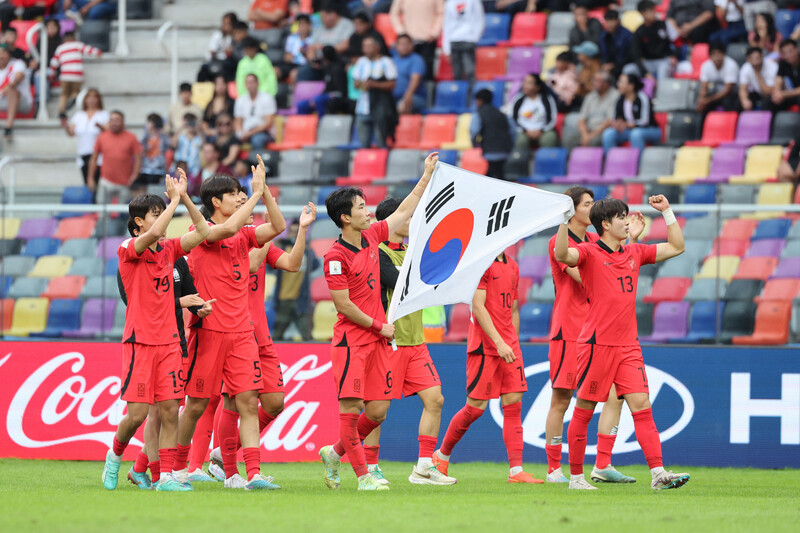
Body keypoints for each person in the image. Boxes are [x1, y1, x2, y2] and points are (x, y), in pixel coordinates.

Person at [317, 152, 438, 492]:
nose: (367, 211)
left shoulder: (372, 237)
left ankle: (335, 452)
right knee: (353, 409)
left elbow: (404, 211)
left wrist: (426, 175)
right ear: (345, 217)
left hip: (377, 341)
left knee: (379, 411)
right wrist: (378, 325)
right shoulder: (335, 257)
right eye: (360, 207)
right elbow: (343, 305)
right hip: (352, 342)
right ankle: (363, 476)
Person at [555, 195, 690, 491]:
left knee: (642, 405)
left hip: (628, 346)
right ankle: (576, 477)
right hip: (596, 345)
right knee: (585, 408)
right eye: (621, 217)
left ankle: (658, 473)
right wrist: (563, 222)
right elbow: (563, 255)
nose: (627, 221)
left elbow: (677, 247)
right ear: (605, 224)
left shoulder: (635, 252)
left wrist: (667, 212)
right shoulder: (589, 252)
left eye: (627, 216)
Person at [174, 155, 286, 490]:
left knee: (248, 402)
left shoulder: (245, 234)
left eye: (241, 192)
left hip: (242, 333)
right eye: (234, 193)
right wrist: (254, 194)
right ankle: (177, 469)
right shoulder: (200, 231)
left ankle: (248, 474)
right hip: (208, 332)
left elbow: (278, 227)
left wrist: (264, 195)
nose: (240, 197)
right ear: (214, 202)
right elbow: (227, 228)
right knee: (195, 405)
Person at [101, 169, 209, 492]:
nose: (160, 220)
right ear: (138, 224)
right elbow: (152, 236)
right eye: (154, 214)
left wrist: (186, 198)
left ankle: (163, 479)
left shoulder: (170, 250)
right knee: (136, 415)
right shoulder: (127, 249)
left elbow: (202, 231)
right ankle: (115, 455)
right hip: (139, 343)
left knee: (169, 410)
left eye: (161, 213)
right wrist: (173, 199)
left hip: (170, 342)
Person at [206, 198, 317, 482]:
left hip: (261, 336)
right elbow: (251, 264)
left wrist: (301, 230)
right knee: (235, 401)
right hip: (236, 333)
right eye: (241, 204)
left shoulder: (258, 240)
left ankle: (223, 453)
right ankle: (234, 470)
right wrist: (273, 231)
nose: (247, 210)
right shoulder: (228, 244)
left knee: (275, 403)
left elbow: (293, 264)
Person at [544, 186, 641, 484]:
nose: (592, 208)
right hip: (569, 330)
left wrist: (630, 240)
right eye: (587, 204)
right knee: (562, 399)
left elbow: (618, 264)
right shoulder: (560, 243)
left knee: (616, 396)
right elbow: (591, 279)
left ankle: (602, 464)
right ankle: (554, 469)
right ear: (571, 210)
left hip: (600, 330)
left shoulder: (593, 242)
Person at [360, 197, 456, 486]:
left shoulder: (413, 252)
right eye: (411, 217)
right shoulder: (378, 253)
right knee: (377, 412)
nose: (416, 222)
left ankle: (424, 466)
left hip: (415, 341)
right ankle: (367, 464)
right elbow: (402, 284)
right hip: (387, 341)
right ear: (395, 220)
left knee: (435, 399)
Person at [432, 251, 542, 485]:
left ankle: (516, 471)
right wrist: (500, 342)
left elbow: (512, 309)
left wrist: (512, 342)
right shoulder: (481, 263)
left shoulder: (512, 265)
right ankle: (441, 456)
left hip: (508, 346)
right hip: (484, 347)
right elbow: (478, 307)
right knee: (475, 409)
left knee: (513, 404)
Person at [270, 219, 318, 340]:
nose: (293, 235)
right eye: (291, 232)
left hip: (301, 299)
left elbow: (316, 264)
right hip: (283, 298)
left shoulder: (305, 250)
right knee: (277, 334)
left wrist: (306, 248)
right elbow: (269, 266)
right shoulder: (281, 248)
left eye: (296, 232)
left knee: (307, 334)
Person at [89, 110, 143, 205]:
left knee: (124, 214)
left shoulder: (131, 137)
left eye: (117, 120)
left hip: (125, 183)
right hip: (105, 181)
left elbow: (138, 159)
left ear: (123, 121)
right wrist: (90, 178)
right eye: (112, 120)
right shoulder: (102, 137)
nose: (114, 123)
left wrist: (134, 176)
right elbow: (94, 158)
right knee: (102, 212)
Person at [352, 36, 398, 148]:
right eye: (364, 46)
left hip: (380, 108)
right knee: (363, 145)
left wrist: (374, 84)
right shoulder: (361, 62)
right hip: (362, 108)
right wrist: (361, 84)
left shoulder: (386, 62)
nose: (365, 49)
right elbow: (355, 82)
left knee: (381, 142)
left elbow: (392, 84)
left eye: (369, 46)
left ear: (377, 47)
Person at [48, 30, 102, 119]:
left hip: (65, 75)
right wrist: (98, 52)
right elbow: (89, 50)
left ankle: (62, 111)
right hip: (77, 74)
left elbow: (54, 62)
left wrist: (51, 75)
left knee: (64, 94)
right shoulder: (77, 45)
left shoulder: (60, 48)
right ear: (74, 37)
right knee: (76, 91)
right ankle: (73, 98)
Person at [601, 73, 660, 152]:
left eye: (621, 82)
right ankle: (612, 161)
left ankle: (637, 162)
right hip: (628, 130)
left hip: (649, 129)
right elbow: (615, 119)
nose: (618, 85)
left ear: (631, 86)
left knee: (636, 134)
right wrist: (617, 124)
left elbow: (644, 121)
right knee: (608, 133)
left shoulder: (642, 98)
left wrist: (627, 124)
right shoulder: (619, 100)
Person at [63, 87, 108, 187]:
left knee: (97, 182)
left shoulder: (103, 114)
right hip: (83, 153)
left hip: (98, 155)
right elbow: (72, 132)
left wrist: (100, 127)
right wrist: (66, 126)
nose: (91, 100)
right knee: (87, 183)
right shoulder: (79, 115)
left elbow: (108, 131)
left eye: (94, 97)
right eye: (89, 97)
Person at [297, 3, 355, 81]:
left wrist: (325, 49)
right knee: (301, 72)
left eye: (323, 16)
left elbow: (346, 45)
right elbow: (312, 47)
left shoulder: (347, 25)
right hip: (319, 63)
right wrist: (312, 60)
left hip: (338, 60)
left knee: (335, 69)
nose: (321, 19)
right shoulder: (321, 27)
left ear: (333, 14)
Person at [390, 0, 445, 80]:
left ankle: (427, 91)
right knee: (406, 70)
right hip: (408, 40)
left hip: (428, 40)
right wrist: (402, 32)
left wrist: (434, 33)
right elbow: (394, 14)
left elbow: (441, 13)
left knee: (427, 71)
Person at [565, 71, 618, 150]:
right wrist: (585, 135)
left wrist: (591, 136)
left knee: (593, 141)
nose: (593, 83)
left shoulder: (615, 96)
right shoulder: (590, 96)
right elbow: (581, 120)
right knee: (569, 138)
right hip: (588, 130)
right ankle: (572, 161)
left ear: (606, 83)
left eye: (597, 80)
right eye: (593, 80)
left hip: (602, 131)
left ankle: (593, 162)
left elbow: (609, 121)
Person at [471, 88, 515, 180]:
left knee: (493, 175)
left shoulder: (478, 114)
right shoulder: (502, 114)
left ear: (479, 101)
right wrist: (511, 146)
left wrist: (474, 144)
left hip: (489, 151)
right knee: (497, 173)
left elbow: (473, 131)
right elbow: (513, 131)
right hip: (505, 151)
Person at [627, 0, 677, 81]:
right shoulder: (639, 32)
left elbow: (677, 42)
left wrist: (674, 55)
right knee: (629, 69)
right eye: (651, 11)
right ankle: (637, 93)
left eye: (654, 10)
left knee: (663, 69)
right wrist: (645, 73)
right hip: (648, 62)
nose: (654, 13)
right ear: (643, 13)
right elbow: (636, 56)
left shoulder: (664, 24)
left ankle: (662, 93)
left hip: (664, 60)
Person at [510, 73, 559, 150]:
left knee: (550, 138)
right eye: (524, 82)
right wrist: (525, 131)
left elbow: (552, 118)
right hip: (523, 131)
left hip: (543, 131)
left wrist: (542, 130)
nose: (524, 85)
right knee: (520, 140)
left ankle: (545, 160)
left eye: (529, 83)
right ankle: (520, 160)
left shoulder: (547, 99)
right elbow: (513, 118)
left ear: (537, 87)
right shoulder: (518, 99)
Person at [442, 0, 484, 81]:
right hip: (454, 41)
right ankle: (460, 93)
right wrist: (446, 48)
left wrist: (474, 37)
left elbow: (479, 19)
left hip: (468, 40)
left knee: (470, 73)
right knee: (457, 74)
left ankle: (470, 93)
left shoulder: (474, 1)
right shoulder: (449, 3)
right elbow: (446, 25)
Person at [234, 73, 277, 150]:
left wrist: (250, 133)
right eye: (248, 83)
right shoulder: (240, 100)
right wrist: (240, 133)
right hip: (245, 132)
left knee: (257, 140)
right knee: (230, 140)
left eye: (252, 82)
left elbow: (268, 123)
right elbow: (238, 121)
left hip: (264, 133)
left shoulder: (267, 98)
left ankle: (258, 162)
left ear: (257, 83)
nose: (250, 85)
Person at [133, 113, 170, 197]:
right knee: (136, 187)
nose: (147, 124)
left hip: (157, 170)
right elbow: (141, 149)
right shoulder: (145, 137)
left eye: (148, 122)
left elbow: (170, 146)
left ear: (153, 124)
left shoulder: (163, 137)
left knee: (153, 192)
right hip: (145, 169)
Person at [697, 40, 740, 112]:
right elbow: (704, 87)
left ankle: (728, 122)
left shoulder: (731, 65)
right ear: (710, 56)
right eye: (713, 54)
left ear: (724, 54)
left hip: (732, 94)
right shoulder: (706, 66)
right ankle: (702, 123)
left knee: (728, 102)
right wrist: (702, 99)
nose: (717, 57)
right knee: (701, 105)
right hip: (716, 94)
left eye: (719, 53)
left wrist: (708, 100)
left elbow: (727, 90)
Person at [0, 43, 32, 140]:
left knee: (12, 91)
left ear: (9, 54)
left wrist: (8, 87)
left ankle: (8, 128)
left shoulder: (18, 63)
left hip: (22, 102)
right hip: (4, 101)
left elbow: (18, 77)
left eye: (3, 53)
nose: (1, 56)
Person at [198, 11, 238, 82]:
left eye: (228, 24)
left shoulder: (236, 37)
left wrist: (232, 51)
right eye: (224, 23)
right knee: (203, 71)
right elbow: (212, 51)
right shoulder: (217, 35)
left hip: (229, 64)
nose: (225, 26)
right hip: (216, 61)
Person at [392, 34, 427, 114]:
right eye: (402, 44)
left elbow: (415, 79)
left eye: (407, 44)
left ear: (412, 45)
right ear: (396, 46)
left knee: (402, 106)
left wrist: (408, 95)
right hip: (394, 97)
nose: (405, 46)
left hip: (415, 97)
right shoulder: (393, 59)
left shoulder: (416, 59)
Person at [276, 13, 313, 84]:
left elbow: (311, 59)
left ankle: (294, 94)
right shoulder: (291, 38)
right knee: (275, 71)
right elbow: (286, 57)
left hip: (305, 65)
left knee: (294, 74)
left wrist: (304, 54)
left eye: (305, 24)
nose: (302, 27)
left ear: (309, 26)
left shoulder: (313, 39)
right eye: (300, 24)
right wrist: (288, 57)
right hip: (291, 64)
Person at [739, 46, 778, 110]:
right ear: (747, 59)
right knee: (740, 102)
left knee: (767, 102)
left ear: (762, 56)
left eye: (757, 57)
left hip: (772, 94)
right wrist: (745, 101)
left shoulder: (772, 66)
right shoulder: (745, 68)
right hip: (757, 93)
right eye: (752, 58)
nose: (755, 60)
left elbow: (768, 92)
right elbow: (743, 88)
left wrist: (757, 73)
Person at [599, 10, 632, 79]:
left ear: (618, 21)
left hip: (624, 64)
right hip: (609, 65)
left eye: (612, 20)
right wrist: (605, 64)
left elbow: (628, 55)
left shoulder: (626, 35)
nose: (610, 24)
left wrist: (613, 65)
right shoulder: (603, 36)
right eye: (607, 21)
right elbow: (603, 54)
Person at [770, 38, 800, 111]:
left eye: (790, 51)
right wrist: (777, 94)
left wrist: (783, 94)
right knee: (769, 101)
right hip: (791, 94)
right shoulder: (783, 63)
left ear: (797, 49)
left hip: (795, 94)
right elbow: (778, 80)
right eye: (784, 53)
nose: (788, 55)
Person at [173, 113, 203, 181]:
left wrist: (198, 129)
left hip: (193, 172)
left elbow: (203, 146)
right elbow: (173, 144)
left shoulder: (198, 138)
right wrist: (182, 127)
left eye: (192, 123)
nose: (191, 125)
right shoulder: (180, 137)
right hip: (179, 171)